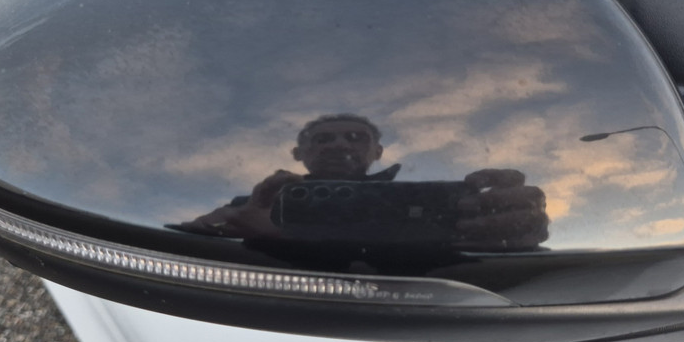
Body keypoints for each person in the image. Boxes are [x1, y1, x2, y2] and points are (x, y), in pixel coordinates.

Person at [181, 113, 548, 250]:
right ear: (298, 153)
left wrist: (515, 232)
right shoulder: (255, 205)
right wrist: (225, 227)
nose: (339, 145)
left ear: (378, 152)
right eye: (323, 139)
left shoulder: (432, 203)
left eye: (356, 138)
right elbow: (186, 243)